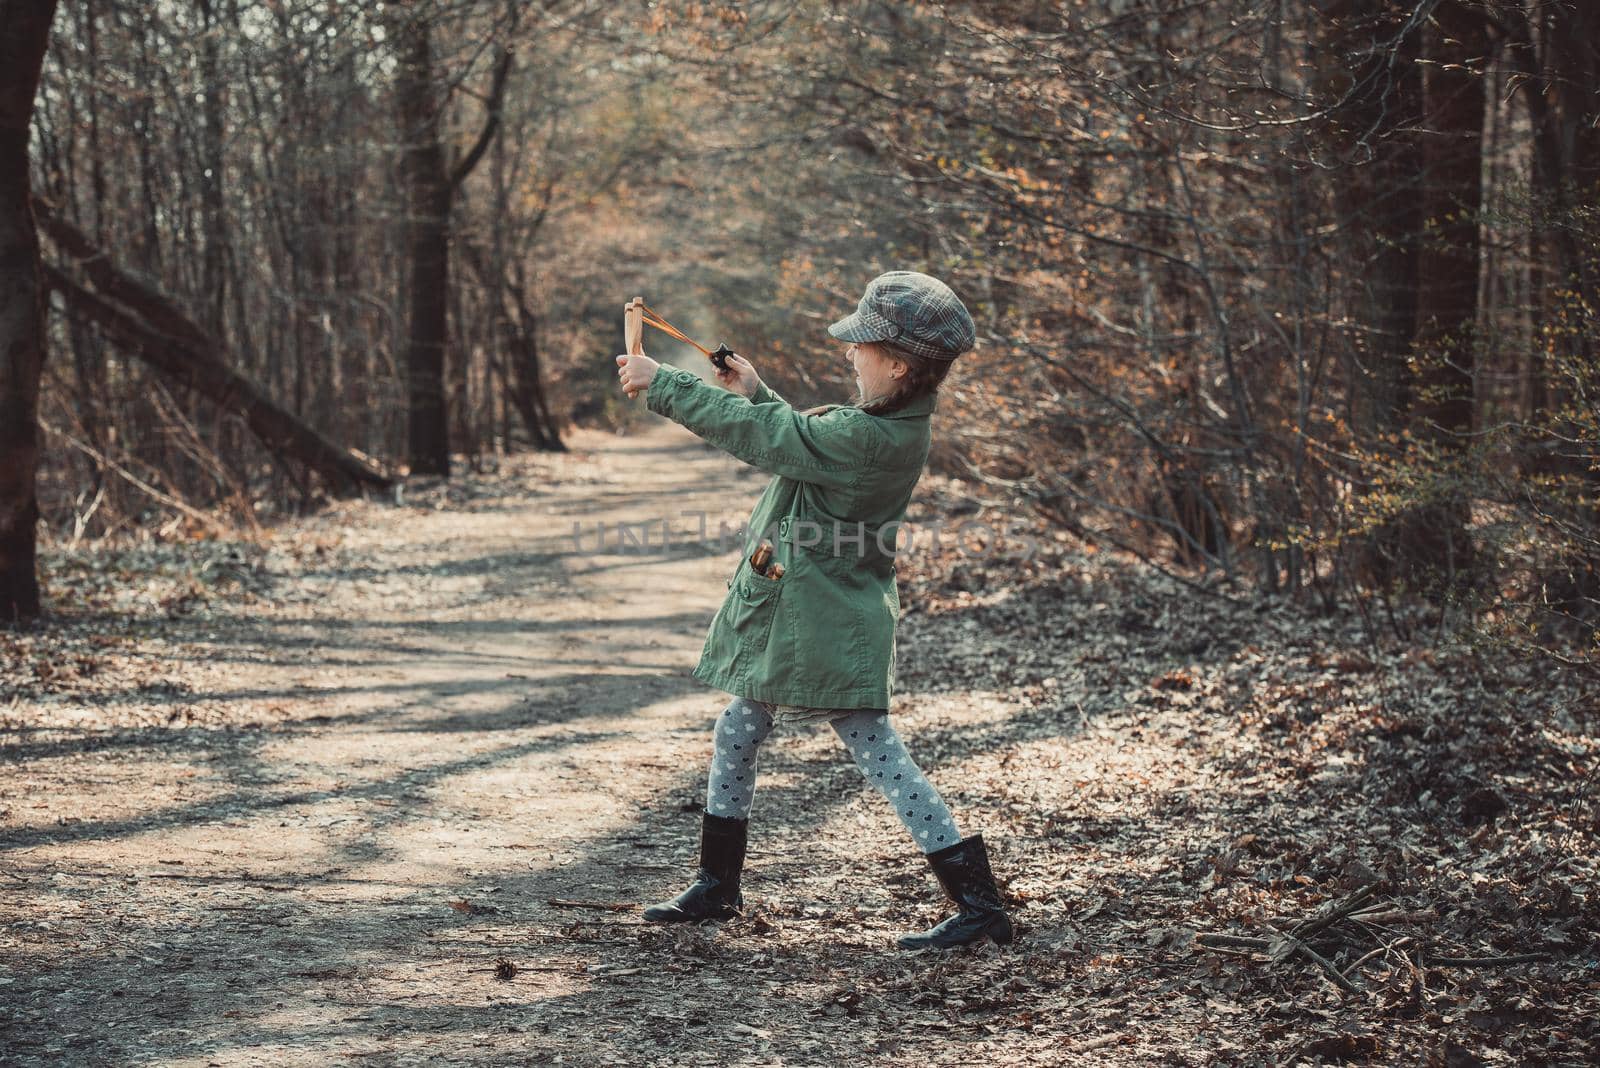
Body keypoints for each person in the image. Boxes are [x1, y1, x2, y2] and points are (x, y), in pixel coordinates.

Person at [613, 271, 1013, 950]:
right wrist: (757, 390)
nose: (849, 353)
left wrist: (665, 383)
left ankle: (979, 906)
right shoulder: (890, 427)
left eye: (861, 345)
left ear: (898, 364)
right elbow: (797, 436)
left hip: (823, 622)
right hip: (814, 611)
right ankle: (717, 886)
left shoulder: (870, 437)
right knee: (739, 728)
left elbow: (776, 440)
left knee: (878, 751)